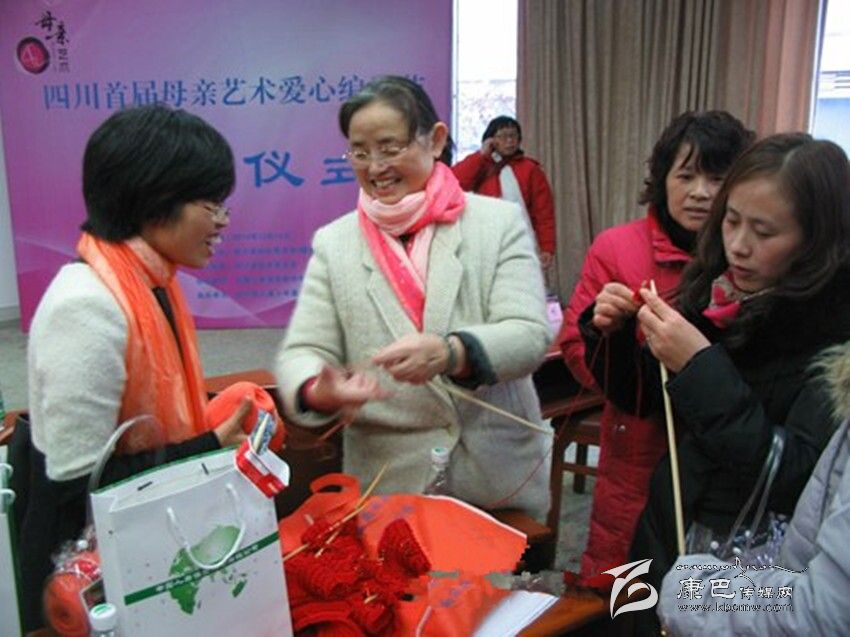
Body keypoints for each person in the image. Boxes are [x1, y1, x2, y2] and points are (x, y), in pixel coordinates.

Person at [579, 133, 850, 631]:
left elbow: (794, 475)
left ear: (816, 241)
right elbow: (646, 404)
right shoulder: (717, 295)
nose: (739, 245)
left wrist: (701, 369)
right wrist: (613, 335)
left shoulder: (834, 341)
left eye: (764, 232)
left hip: (746, 568)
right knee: (625, 624)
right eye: (731, 220)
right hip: (661, 523)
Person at [276, 77, 553, 520]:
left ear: (436, 140)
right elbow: (303, 350)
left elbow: (528, 334)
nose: (375, 167)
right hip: (389, 478)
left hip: (496, 475)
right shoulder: (335, 243)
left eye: (390, 148)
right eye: (359, 152)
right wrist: (315, 388)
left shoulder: (497, 224)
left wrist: (452, 352)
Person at [19, 104, 251, 632]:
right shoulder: (87, 304)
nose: (222, 220)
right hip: (82, 577)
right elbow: (80, 484)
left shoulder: (154, 281)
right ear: (154, 200)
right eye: (210, 204)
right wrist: (208, 445)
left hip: (139, 545)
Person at [558, 111, 753, 580]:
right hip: (638, 456)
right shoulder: (617, 247)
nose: (700, 192)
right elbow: (574, 346)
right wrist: (612, 340)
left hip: (726, 461)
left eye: (716, 178)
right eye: (686, 176)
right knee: (629, 591)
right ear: (662, 179)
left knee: (714, 593)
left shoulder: (750, 258)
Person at [657, 341, 850, 635]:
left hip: (746, 556)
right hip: (687, 523)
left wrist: (693, 596)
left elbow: (826, 612)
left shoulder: (820, 336)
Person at [452, 116, 556, 268]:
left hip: (521, 239)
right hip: (482, 242)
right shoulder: (479, 164)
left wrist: (547, 247)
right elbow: (454, 184)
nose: (509, 141)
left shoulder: (530, 169)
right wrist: (481, 156)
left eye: (513, 136)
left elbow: (543, 212)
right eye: (502, 136)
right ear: (491, 140)